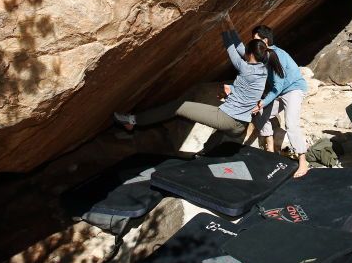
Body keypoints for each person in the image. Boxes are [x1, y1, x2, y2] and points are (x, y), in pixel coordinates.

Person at [113, 19, 284, 141]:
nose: (244, 52)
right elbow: (240, 47)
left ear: (251, 55)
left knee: (179, 107)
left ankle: (132, 121)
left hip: (228, 120)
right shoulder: (264, 67)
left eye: (247, 51)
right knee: (211, 146)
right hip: (240, 125)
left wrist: (222, 24)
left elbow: (232, 48)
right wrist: (228, 20)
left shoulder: (245, 68)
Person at [224, 17, 310, 178]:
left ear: (265, 40)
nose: (253, 43)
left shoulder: (277, 55)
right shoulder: (259, 52)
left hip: (293, 90)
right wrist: (229, 26)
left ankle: (303, 161)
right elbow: (242, 49)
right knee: (259, 115)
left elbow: (278, 86)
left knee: (291, 123)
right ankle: (270, 150)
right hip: (277, 91)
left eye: (255, 40)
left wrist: (263, 102)